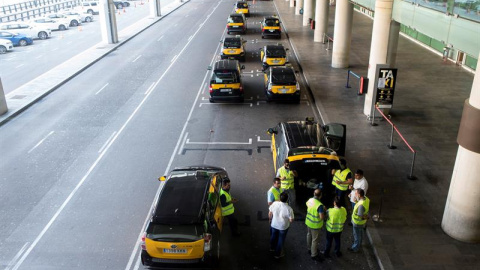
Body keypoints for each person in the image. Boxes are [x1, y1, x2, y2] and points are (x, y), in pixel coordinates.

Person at [269, 192, 294, 259]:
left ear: (280, 198)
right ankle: (277, 254)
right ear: (287, 199)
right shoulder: (289, 209)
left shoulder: (274, 204)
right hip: (283, 227)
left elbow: (270, 213)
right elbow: (291, 220)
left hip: (274, 224)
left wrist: (270, 219)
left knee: (273, 236)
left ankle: (272, 248)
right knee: (280, 240)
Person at [305, 189, 325, 262]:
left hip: (308, 222)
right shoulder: (319, 205)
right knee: (315, 240)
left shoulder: (310, 200)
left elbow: (309, 206)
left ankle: (309, 249)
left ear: (314, 193)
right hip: (315, 225)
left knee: (309, 235)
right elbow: (321, 217)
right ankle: (314, 254)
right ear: (321, 195)